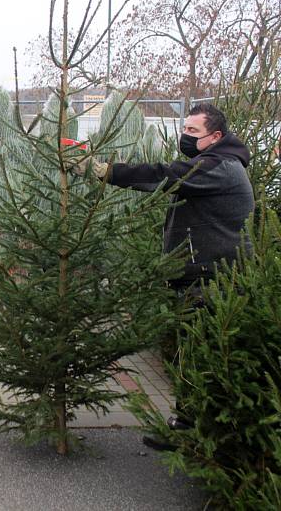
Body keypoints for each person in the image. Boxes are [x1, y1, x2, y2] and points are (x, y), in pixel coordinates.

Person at [73, 103, 255, 449]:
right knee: (194, 351)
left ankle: (190, 432)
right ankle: (190, 425)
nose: (185, 136)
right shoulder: (216, 163)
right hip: (198, 275)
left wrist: (103, 171)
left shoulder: (221, 168)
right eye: (184, 128)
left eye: (193, 132)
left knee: (196, 354)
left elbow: (163, 175)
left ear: (215, 137)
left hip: (211, 278)